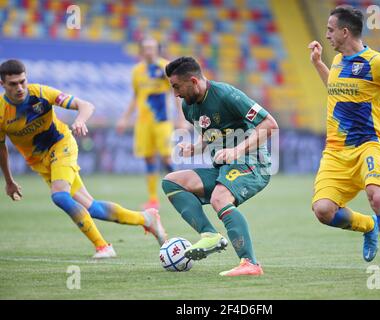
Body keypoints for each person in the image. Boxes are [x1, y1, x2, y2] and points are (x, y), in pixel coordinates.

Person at [0, 59, 167, 259]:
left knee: (60, 196)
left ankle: (103, 247)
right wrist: (9, 181)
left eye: (22, 81)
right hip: (39, 162)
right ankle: (147, 219)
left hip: (61, 145)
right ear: (3, 84)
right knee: (92, 207)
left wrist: (79, 120)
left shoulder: (41, 93)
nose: (20, 88)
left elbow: (86, 105)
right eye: (13, 84)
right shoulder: (2, 112)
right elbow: (2, 147)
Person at [308, 6, 380, 280]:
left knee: (377, 195)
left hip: (368, 145)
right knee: (323, 211)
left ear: (345, 32)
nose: (326, 36)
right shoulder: (336, 61)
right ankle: (369, 226)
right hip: (336, 151)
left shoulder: (377, 63)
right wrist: (317, 63)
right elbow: (335, 89)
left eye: (330, 30)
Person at [161, 56, 278, 276]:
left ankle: (250, 263)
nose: (175, 93)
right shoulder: (189, 107)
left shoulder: (226, 95)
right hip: (223, 166)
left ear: (194, 81)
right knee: (171, 182)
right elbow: (214, 133)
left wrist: (236, 151)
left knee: (219, 198)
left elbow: (270, 124)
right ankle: (210, 236)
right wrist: (195, 147)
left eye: (177, 87)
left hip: (252, 162)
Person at [116, 37, 184, 210]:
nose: (149, 51)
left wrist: (181, 118)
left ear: (157, 50)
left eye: (152, 48)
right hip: (143, 122)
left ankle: (180, 192)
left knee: (166, 157)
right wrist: (125, 118)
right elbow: (136, 96)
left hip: (162, 121)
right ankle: (153, 199)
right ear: (141, 51)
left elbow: (175, 93)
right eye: (145, 48)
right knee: (148, 158)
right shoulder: (137, 71)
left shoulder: (166, 68)